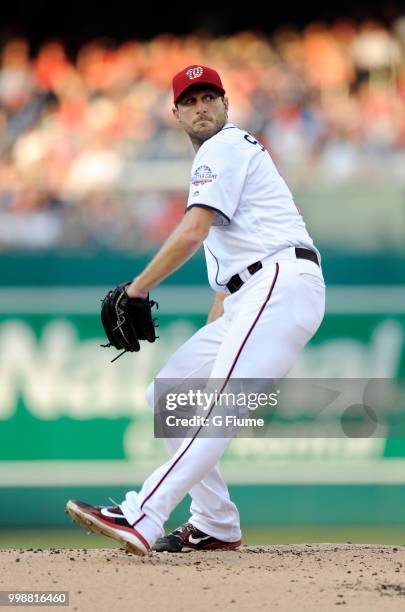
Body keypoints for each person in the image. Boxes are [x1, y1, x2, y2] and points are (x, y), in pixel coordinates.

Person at [66, 65, 326, 555]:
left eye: (210, 97)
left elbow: (193, 231)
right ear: (176, 113)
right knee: (170, 395)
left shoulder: (224, 147)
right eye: (190, 100)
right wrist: (217, 339)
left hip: (279, 283)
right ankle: (216, 523)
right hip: (255, 291)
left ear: (226, 105)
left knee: (216, 409)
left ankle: (143, 513)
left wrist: (137, 290)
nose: (201, 106)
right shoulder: (218, 161)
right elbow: (227, 282)